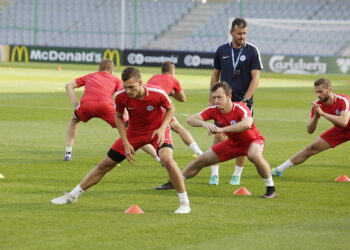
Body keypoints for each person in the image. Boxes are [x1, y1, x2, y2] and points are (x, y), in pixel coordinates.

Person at [52, 67, 191, 214]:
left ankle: (184, 203)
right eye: (125, 87)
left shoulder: (157, 93)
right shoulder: (120, 96)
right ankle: (72, 196)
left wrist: (163, 128)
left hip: (157, 130)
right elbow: (118, 117)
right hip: (133, 133)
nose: (129, 91)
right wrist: (125, 142)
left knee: (167, 160)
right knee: (105, 165)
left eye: (132, 87)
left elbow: (171, 108)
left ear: (140, 82)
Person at [155, 82, 276, 198]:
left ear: (229, 96)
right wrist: (204, 124)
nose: (216, 101)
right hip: (233, 144)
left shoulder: (241, 108)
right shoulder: (214, 110)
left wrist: (221, 129)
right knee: (201, 160)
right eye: (214, 98)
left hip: (253, 141)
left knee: (254, 155)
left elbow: (246, 124)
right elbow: (190, 120)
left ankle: (270, 189)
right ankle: (176, 182)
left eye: (219, 97)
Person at [63, 59, 159, 163]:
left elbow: (69, 85)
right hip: (106, 106)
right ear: (111, 70)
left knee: (74, 120)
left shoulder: (90, 76)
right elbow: (125, 97)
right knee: (133, 132)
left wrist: (76, 106)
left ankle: (68, 153)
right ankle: (158, 158)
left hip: (87, 106)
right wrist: (126, 115)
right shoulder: (116, 79)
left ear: (99, 69)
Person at [209, 17, 263, 186]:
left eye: (244, 33)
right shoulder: (221, 50)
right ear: (231, 32)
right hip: (223, 103)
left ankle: (236, 175)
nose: (242, 36)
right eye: (239, 33)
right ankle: (214, 173)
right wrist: (213, 98)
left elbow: (256, 79)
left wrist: (246, 100)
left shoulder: (252, 51)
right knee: (218, 134)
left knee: (244, 139)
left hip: (243, 104)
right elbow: (215, 75)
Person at [272, 78, 350, 176]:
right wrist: (317, 117)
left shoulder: (343, 100)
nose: (318, 95)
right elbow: (310, 130)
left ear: (329, 89)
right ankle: (278, 170)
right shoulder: (317, 104)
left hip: (343, 125)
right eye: (316, 92)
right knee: (313, 148)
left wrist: (323, 114)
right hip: (341, 130)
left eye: (321, 92)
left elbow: (344, 122)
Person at [147, 61, 203, 158]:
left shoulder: (153, 77)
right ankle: (199, 153)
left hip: (147, 107)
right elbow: (183, 99)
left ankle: (159, 157)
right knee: (178, 128)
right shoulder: (173, 79)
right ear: (172, 71)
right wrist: (172, 93)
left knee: (145, 132)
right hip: (159, 106)